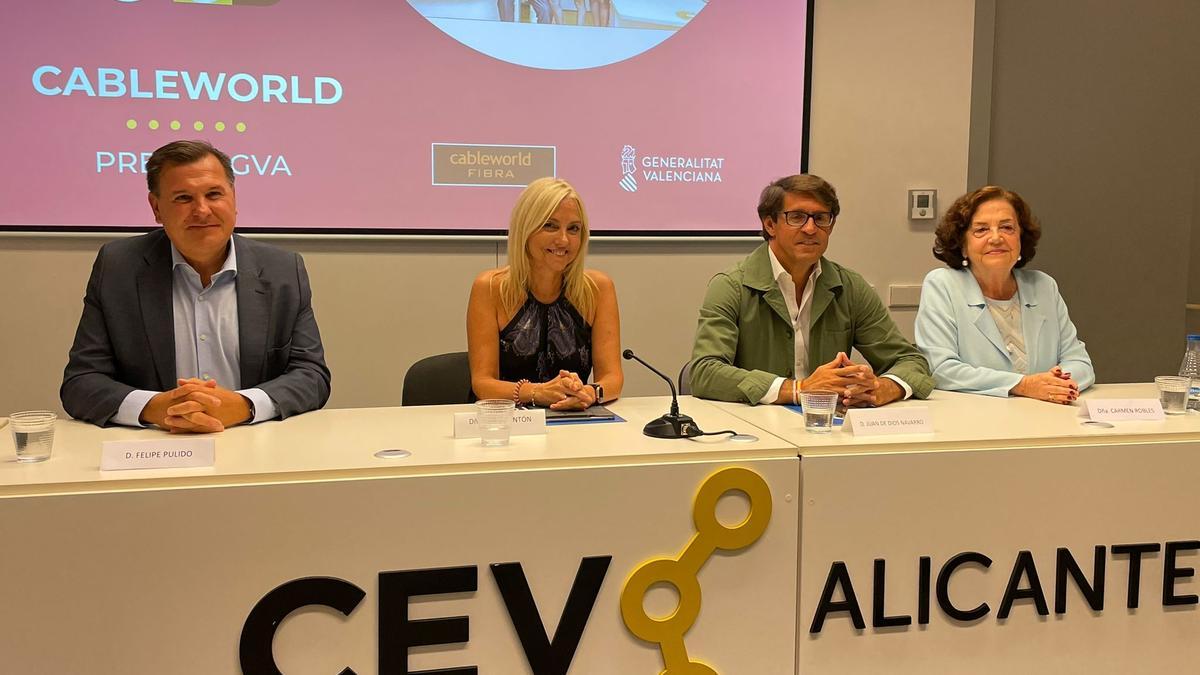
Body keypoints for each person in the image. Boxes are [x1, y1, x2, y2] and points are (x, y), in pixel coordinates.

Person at [61, 140, 331, 432]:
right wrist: (154, 408)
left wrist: (244, 406)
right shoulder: (118, 267)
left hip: (251, 441)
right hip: (155, 446)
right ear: (156, 208)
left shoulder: (282, 269)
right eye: (183, 198)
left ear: (234, 199)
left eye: (214, 194)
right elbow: (81, 382)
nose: (202, 210)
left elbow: (311, 375)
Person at [691, 174, 933, 406]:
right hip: (756, 429)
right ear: (770, 224)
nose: (810, 228)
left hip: (828, 427)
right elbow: (705, 372)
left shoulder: (849, 286)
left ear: (831, 225)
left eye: (820, 218)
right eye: (796, 217)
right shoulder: (731, 286)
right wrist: (798, 389)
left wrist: (882, 388)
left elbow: (909, 361)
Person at [914, 185, 1093, 403]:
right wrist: (1024, 385)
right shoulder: (943, 285)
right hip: (973, 422)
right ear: (962, 244)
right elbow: (941, 369)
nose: (996, 238)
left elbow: (1080, 363)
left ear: (1020, 239)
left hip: (1047, 418)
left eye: (1007, 228)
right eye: (981, 230)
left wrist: (1056, 385)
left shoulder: (1044, 286)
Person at [467, 177, 623, 409]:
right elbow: (483, 384)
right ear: (526, 229)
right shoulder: (489, 288)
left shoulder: (598, 288)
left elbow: (613, 379)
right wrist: (538, 392)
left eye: (573, 229)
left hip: (573, 422)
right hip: (506, 424)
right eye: (550, 225)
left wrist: (589, 393)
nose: (563, 240)